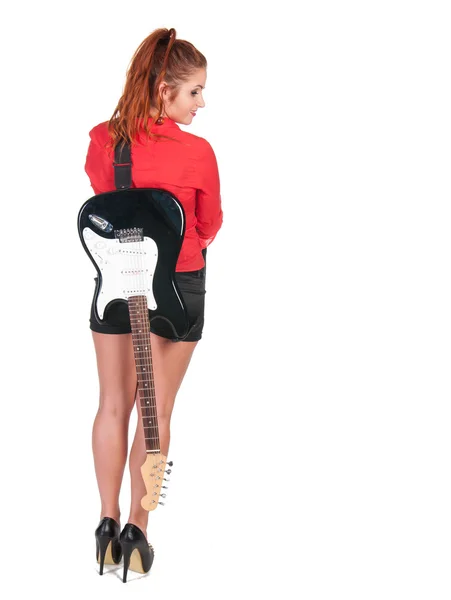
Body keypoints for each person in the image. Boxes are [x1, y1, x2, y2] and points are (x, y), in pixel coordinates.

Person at [84, 27, 223, 583]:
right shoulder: (197, 153)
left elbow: (103, 207)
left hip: (117, 287)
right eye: (194, 92)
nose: (202, 103)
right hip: (178, 288)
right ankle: (140, 533)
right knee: (156, 409)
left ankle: (105, 526)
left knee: (112, 403)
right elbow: (209, 225)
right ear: (164, 90)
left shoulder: (101, 140)